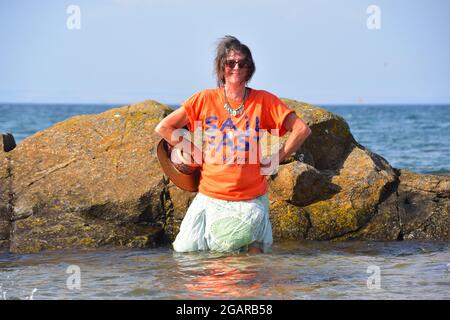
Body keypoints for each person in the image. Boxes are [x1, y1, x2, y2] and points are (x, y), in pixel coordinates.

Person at [155, 35, 311, 254]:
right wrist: (195, 152)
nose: (236, 67)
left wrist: (276, 159)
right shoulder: (204, 99)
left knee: (233, 248)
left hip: (249, 198)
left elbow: (302, 129)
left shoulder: (264, 101)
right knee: (185, 251)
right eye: (230, 63)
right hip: (210, 196)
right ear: (222, 67)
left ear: (250, 68)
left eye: (243, 63)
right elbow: (164, 127)